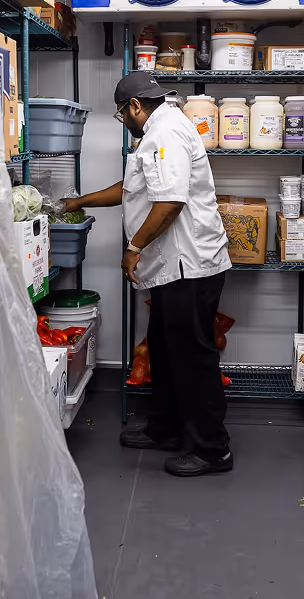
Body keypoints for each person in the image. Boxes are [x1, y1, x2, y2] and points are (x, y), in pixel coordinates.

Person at [63, 72, 233, 477]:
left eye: (123, 114)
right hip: (175, 268)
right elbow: (133, 188)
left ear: (135, 106)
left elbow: (170, 201)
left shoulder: (167, 133)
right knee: (163, 349)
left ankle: (213, 451)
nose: (125, 121)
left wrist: (133, 248)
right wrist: (79, 201)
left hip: (189, 267)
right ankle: (168, 429)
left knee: (193, 358)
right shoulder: (158, 131)